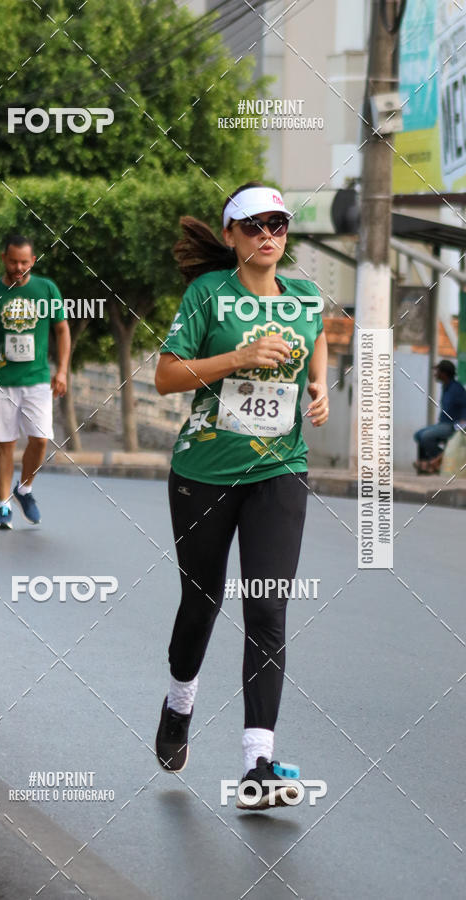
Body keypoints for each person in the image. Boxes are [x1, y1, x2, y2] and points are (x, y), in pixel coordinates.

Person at [154, 182, 328, 809]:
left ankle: (258, 764)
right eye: (252, 226)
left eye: (277, 224)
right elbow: (167, 375)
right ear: (230, 236)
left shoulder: (304, 296)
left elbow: (319, 338)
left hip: (280, 468)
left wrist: (317, 386)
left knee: (268, 607)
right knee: (202, 602)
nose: (267, 236)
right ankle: (179, 705)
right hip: (205, 470)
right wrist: (239, 355)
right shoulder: (208, 294)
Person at [0, 233, 70, 528]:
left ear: (33, 261)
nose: (18, 267)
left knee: (40, 440)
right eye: (13, 261)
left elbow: (62, 331)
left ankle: (24, 489)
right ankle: (3, 508)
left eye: (24, 262)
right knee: (6, 444)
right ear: (4, 258)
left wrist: (62, 371)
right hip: (1, 380)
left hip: (37, 379)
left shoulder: (47, 289)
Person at [413, 359, 466, 474]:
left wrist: (462, 422)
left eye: (438, 371)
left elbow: (464, 406)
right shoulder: (446, 387)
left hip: (452, 425)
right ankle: (433, 462)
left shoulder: (456, 389)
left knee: (426, 437)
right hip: (443, 423)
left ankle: (436, 463)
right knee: (418, 435)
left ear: (444, 373)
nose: (436, 374)